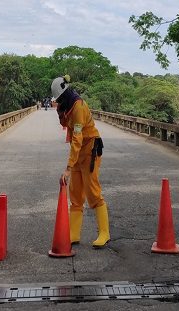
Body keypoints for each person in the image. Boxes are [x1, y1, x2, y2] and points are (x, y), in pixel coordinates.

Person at [51, 75, 109, 248]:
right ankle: (73, 234)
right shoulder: (67, 106)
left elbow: (77, 138)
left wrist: (68, 168)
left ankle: (104, 233)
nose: (59, 101)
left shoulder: (78, 107)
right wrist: (60, 112)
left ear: (65, 93)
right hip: (78, 152)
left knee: (93, 192)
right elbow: (71, 135)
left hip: (90, 149)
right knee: (75, 193)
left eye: (60, 98)